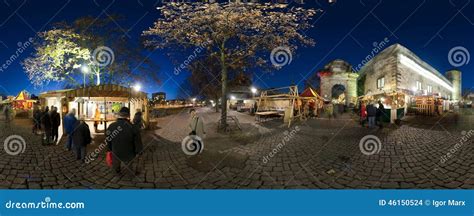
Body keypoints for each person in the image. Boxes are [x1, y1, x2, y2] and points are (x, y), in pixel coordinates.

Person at [106, 107, 143, 174]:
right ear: (128, 116)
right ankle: (129, 173)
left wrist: (109, 149)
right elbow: (137, 141)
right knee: (129, 164)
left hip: (116, 151)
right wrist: (139, 151)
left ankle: (117, 170)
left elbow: (108, 139)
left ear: (119, 115)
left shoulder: (111, 126)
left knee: (116, 163)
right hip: (129, 151)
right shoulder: (133, 127)